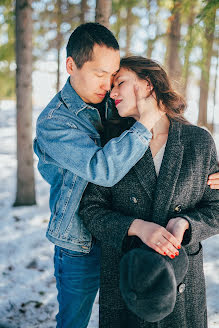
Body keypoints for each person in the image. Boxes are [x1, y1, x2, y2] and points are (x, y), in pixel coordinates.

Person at [33, 23, 165, 328]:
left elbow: (160, 124)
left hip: (121, 233)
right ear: (71, 65)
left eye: (113, 75)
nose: (108, 85)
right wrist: (143, 125)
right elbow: (101, 169)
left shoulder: (111, 100)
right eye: (99, 74)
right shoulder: (54, 122)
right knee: (74, 322)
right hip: (80, 244)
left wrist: (204, 169)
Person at [79, 56, 219, 328]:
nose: (113, 93)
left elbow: (217, 207)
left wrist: (186, 224)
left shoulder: (198, 141)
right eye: (111, 88)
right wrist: (137, 228)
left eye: (120, 83)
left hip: (181, 280)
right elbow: (91, 210)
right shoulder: (111, 144)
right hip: (126, 279)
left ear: (148, 84)